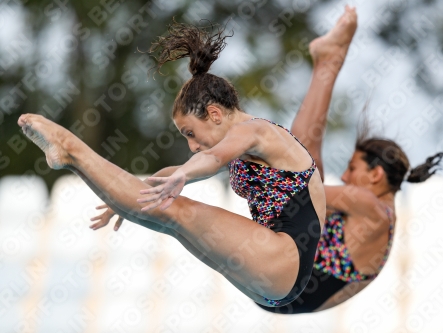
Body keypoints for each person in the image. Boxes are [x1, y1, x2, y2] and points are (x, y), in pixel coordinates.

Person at [17, 19, 326, 307]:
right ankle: (72, 157)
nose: (191, 145)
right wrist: (123, 194)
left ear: (215, 114)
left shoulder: (255, 131)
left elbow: (210, 158)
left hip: (284, 261)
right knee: (168, 217)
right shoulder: (243, 147)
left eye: (191, 133)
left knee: (177, 210)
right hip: (274, 276)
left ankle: (71, 149)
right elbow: (176, 172)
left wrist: (177, 179)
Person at [257, 6, 443, 314]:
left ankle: (330, 63)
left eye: (353, 167)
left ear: (376, 175)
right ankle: (328, 63)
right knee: (305, 165)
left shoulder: (371, 209)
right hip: (284, 288)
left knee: (302, 168)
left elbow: (297, 186)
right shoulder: (378, 217)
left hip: (285, 287)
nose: (344, 176)